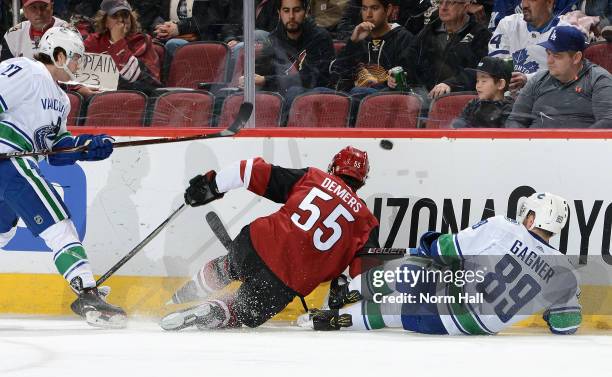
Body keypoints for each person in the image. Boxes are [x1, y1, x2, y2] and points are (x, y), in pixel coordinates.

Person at [160, 147, 379, 331]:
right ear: (363, 181)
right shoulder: (366, 222)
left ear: (332, 167)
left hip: (256, 243)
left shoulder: (313, 177)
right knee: (241, 310)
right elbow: (364, 278)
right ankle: (214, 309)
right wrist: (340, 289)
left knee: (227, 267)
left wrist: (213, 185)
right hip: (285, 281)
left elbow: (248, 171)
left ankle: (181, 296)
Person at [302, 192, 582, 336]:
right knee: (395, 311)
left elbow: (445, 250)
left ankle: (347, 292)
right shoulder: (566, 274)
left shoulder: (503, 227)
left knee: (414, 264)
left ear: (531, 218)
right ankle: (334, 320)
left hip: (446, 300)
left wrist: (429, 242)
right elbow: (565, 324)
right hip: (467, 329)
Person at [0, 27, 126, 328]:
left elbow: (57, 152)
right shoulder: (25, 70)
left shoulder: (63, 100)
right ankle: (86, 290)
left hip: (17, 163)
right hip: (8, 160)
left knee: (2, 231)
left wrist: (87, 147)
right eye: (76, 58)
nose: (79, 65)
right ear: (59, 55)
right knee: (59, 224)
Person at [506, 25, 612, 128]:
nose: (549, 61)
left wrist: (575, 143)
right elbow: (516, 119)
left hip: (579, 145)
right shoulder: (537, 80)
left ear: (576, 57)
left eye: (556, 56)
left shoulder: (599, 80)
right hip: (534, 144)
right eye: (548, 54)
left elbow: (608, 121)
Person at [240, 0, 335, 106]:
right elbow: (261, 73)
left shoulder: (320, 38)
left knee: (294, 91)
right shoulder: (273, 39)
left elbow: (310, 78)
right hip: (282, 94)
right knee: (235, 94)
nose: (291, 16)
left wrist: (266, 80)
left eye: (297, 10)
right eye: (286, 10)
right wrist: (248, 80)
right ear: (279, 13)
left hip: (314, 100)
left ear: (306, 11)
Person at [400, 0, 491, 101]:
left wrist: (451, 84)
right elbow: (408, 59)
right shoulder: (429, 30)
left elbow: (479, 72)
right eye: (440, 2)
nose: (443, 7)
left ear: (466, 6)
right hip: (424, 98)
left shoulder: (481, 35)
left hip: (461, 100)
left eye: (450, 2)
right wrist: (399, 74)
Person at [330, 0, 414, 97]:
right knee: (319, 91)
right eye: (364, 8)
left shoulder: (403, 38)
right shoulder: (358, 37)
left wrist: (393, 80)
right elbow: (336, 78)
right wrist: (352, 42)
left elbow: (408, 82)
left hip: (385, 100)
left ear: (388, 10)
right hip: (353, 100)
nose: (368, 15)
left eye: (374, 8)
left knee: (358, 92)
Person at [488, 0, 570, 92]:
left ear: (549, 2)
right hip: (507, 97)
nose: (525, 5)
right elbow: (495, 64)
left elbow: (566, 75)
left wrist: (528, 79)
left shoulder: (566, 32)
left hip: (546, 97)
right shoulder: (508, 23)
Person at [84, 0, 161, 94]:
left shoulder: (141, 41)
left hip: (132, 97)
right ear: (105, 22)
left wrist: (118, 42)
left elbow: (145, 82)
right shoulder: (93, 42)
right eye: (114, 16)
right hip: (96, 97)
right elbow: (77, 74)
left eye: (125, 15)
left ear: (131, 19)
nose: (121, 19)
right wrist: (79, 88)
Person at [0, 0, 74, 61]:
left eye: (44, 6)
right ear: (25, 11)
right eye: (33, 7)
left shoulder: (68, 33)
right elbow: (5, 72)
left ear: (51, 7)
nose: (39, 12)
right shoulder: (13, 35)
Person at [452, 56, 514, 128]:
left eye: (483, 81)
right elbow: (457, 126)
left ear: (500, 84)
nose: (478, 86)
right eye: (477, 81)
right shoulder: (473, 104)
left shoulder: (509, 108)